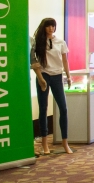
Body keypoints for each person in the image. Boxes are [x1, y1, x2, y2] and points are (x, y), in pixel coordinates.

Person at [31, 18, 73, 155]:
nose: (51, 28)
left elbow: (65, 61)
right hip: (43, 75)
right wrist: (40, 78)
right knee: (43, 108)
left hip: (57, 76)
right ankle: (44, 143)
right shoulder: (38, 42)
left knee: (63, 108)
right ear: (43, 27)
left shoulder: (61, 42)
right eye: (48, 26)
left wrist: (68, 76)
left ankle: (65, 142)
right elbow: (33, 61)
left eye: (53, 26)